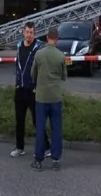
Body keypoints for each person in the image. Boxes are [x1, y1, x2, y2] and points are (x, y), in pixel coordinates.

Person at [11, 22, 50, 158]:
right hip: (20, 89)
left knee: (37, 120)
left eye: (31, 32)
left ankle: (46, 147)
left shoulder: (39, 47)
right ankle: (19, 147)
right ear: (23, 32)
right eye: (27, 32)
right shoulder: (19, 46)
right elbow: (18, 66)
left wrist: (37, 86)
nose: (29, 35)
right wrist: (17, 83)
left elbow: (42, 68)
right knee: (19, 120)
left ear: (34, 33)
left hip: (33, 90)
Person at [30, 28, 67, 171]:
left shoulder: (39, 54)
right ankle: (56, 159)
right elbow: (64, 76)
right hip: (55, 97)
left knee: (40, 129)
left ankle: (38, 160)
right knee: (56, 129)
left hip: (41, 97)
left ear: (47, 37)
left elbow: (33, 73)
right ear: (57, 39)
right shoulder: (61, 56)